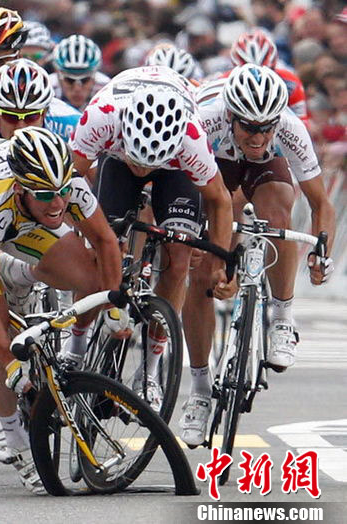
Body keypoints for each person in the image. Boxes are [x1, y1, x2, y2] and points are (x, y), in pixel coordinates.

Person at [0, 127, 121, 493]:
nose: (57, 203)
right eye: (46, 195)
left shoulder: (62, 186)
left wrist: (112, 306)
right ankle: (15, 439)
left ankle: (18, 272)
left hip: (16, 206)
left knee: (89, 275)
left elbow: (105, 240)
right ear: (20, 189)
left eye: (63, 191)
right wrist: (11, 363)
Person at [179, 64, 336, 446]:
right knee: (201, 274)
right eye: (250, 127)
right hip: (214, 163)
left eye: (266, 127)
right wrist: (208, 253)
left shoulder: (289, 129)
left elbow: (321, 204)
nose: (259, 136)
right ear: (231, 115)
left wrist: (322, 255)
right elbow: (192, 196)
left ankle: (281, 318)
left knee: (279, 212)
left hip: (266, 169)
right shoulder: (204, 120)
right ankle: (199, 390)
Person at [70, 65, 236, 414]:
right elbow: (69, 181)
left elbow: (220, 200)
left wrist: (221, 264)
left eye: (150, 165)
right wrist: (87, 234)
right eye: (139, 162)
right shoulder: (100, 118)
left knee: (180, 257)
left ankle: (149, 371)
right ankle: (76, 347)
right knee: (100, 251)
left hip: (174, 170)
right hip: (116, 160)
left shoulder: (191, 139)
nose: (143, 172)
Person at [0, 58, 80, 149]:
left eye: (31, 117)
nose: (21, 127)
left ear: (44, 113)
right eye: (11, 117)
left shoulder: (74, 125)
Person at [49, 35, 110, 111]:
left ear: (95, 76)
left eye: (85, 80)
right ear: (57, 74)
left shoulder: (107, 89)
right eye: (69, 80)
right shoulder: (47, 88)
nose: (77, 89)